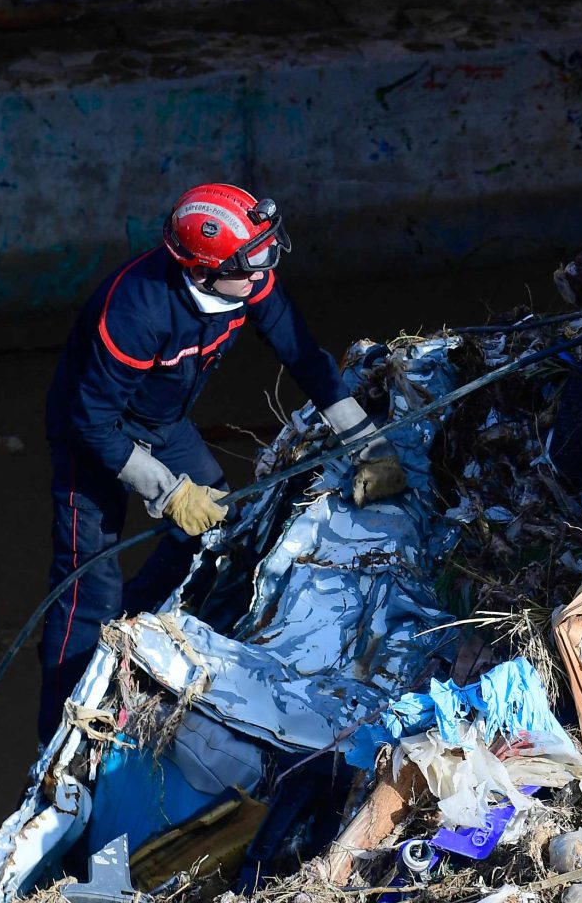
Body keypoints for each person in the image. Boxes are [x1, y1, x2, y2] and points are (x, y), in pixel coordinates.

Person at [36, 183, 374, 738]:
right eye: (252, 259)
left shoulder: (246, 283)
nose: (264, 269)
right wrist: (166, 491)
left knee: (212, 522)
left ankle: (136, 626)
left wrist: (364, 438)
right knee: (85, 584)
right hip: (94, 436)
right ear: (202, 271)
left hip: (163, 422)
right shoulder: (136, 312)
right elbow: (91, 421)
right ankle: (61, 727)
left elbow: (301, 352)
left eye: (268, 250)